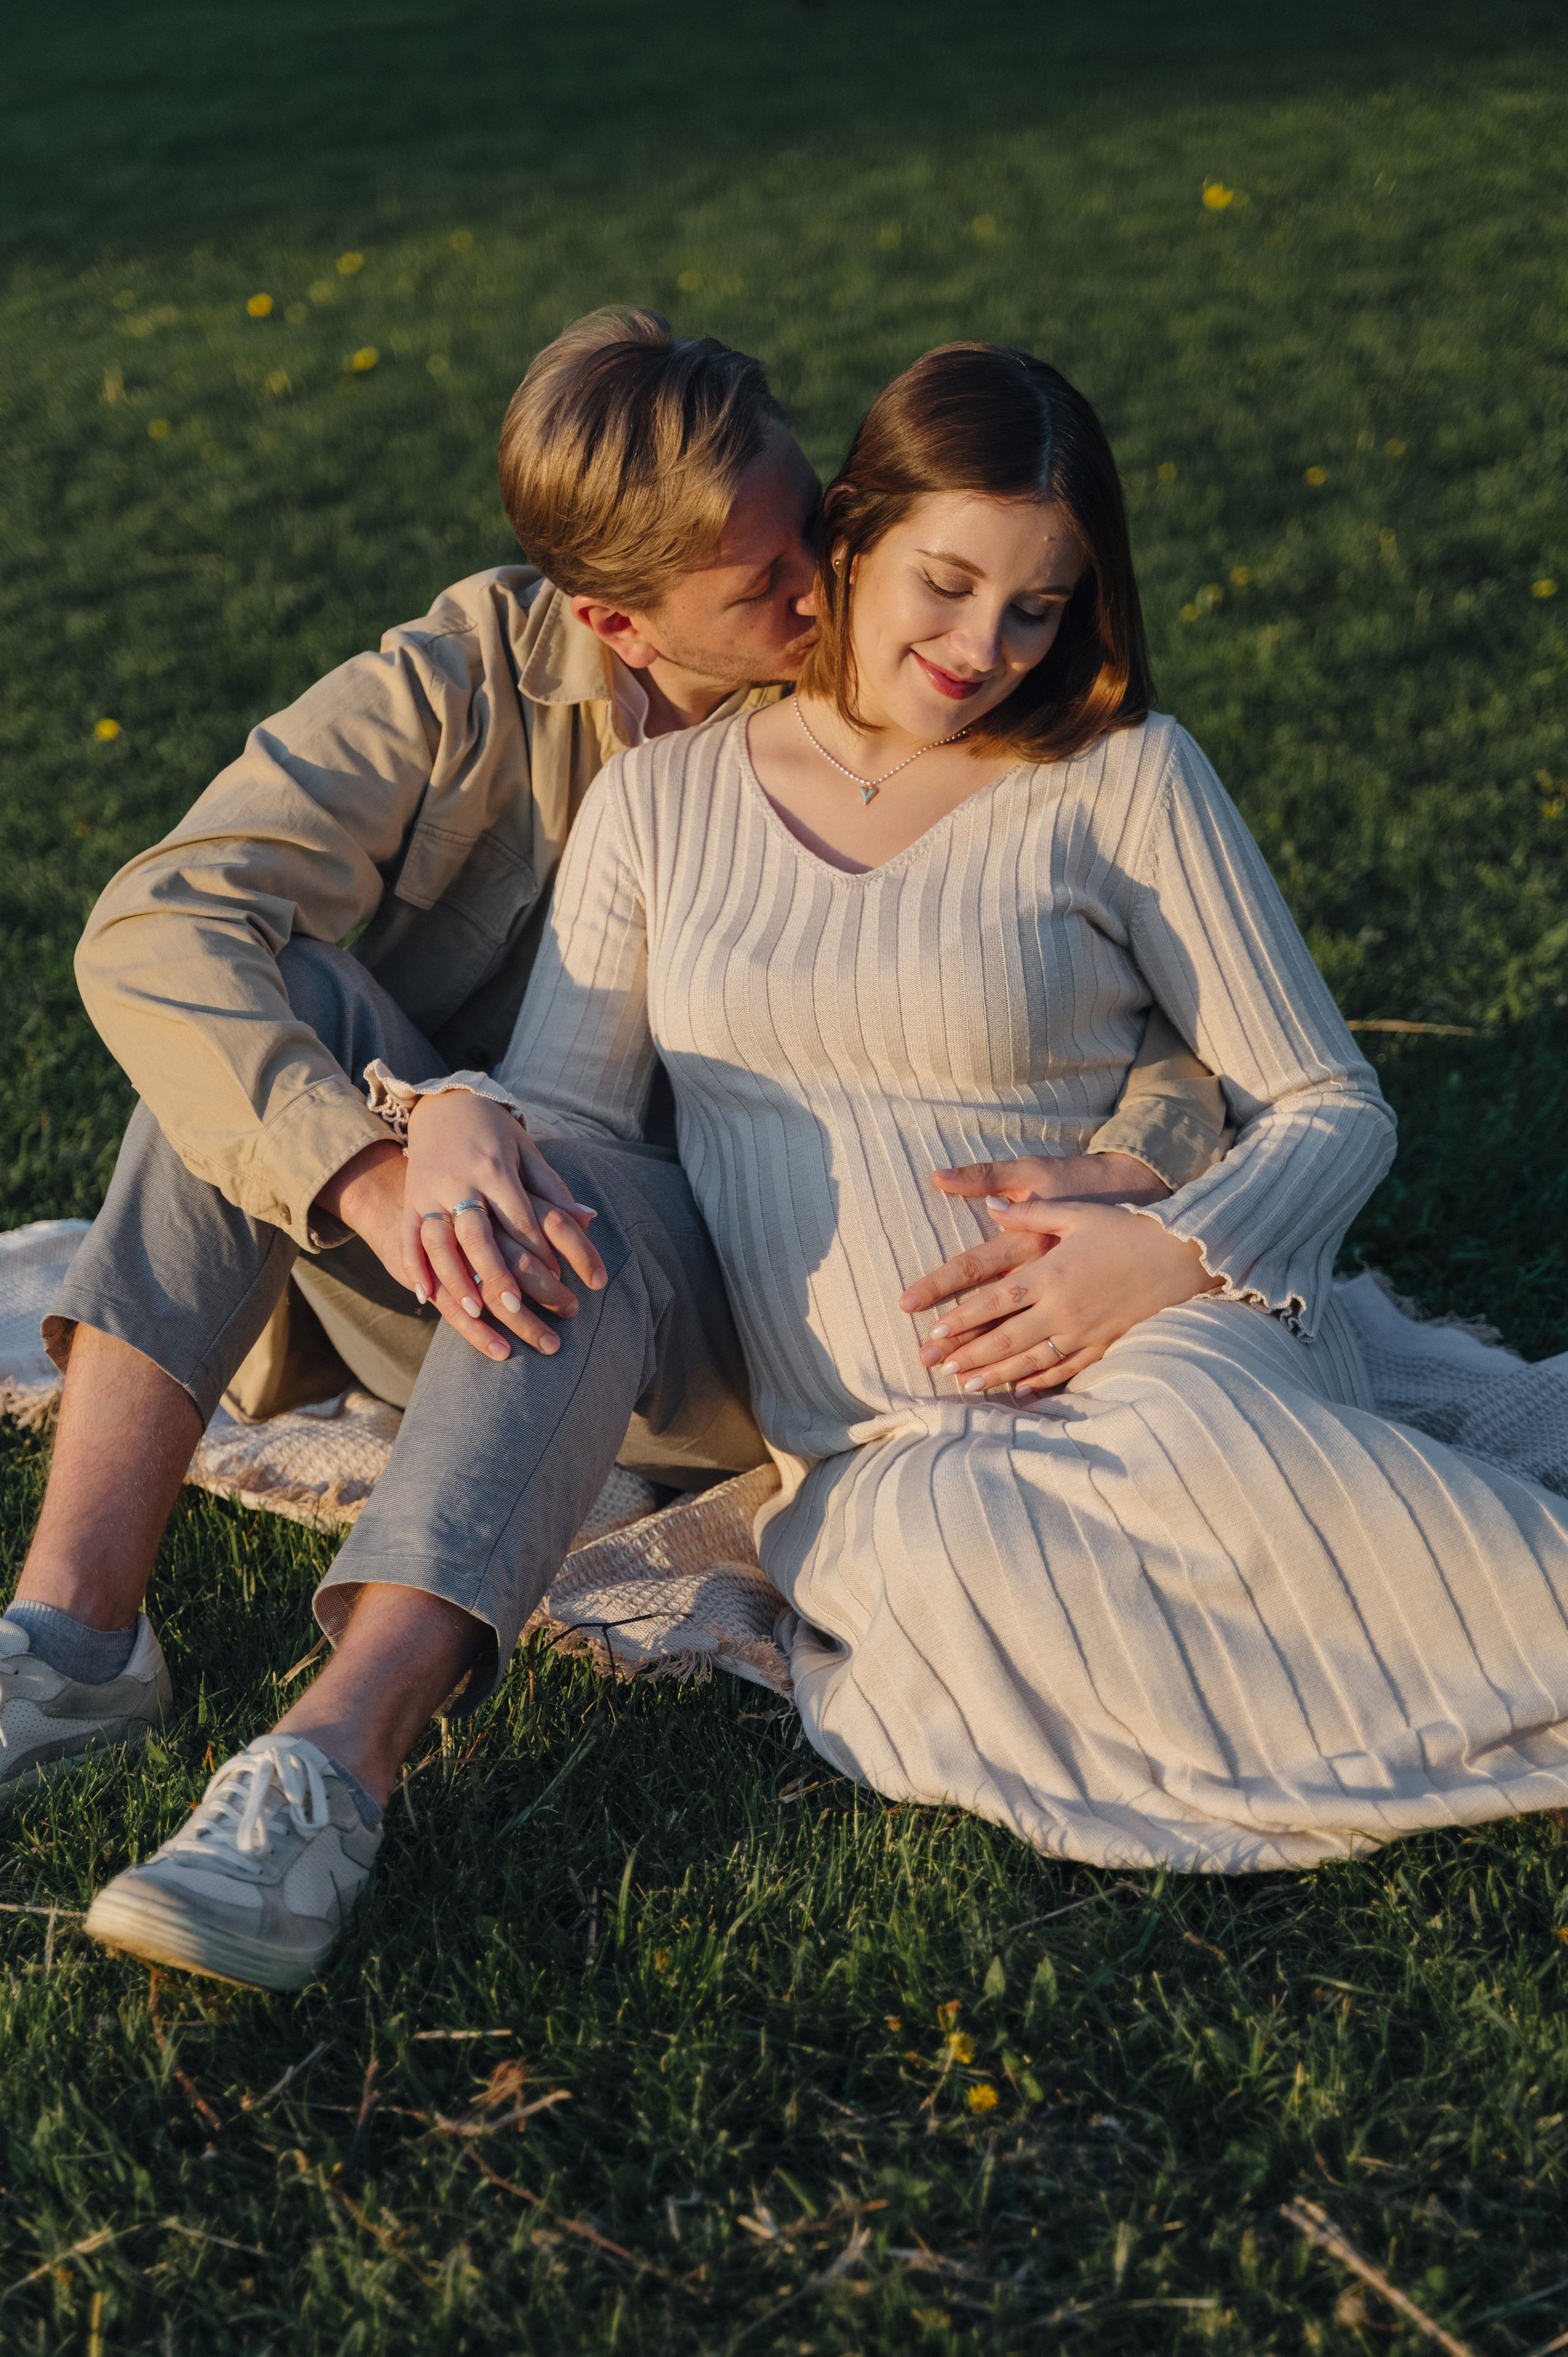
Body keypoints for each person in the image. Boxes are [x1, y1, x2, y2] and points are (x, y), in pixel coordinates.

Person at [161, 336, 1568, 1903]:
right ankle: (305, 1764)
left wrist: (1169, 1254)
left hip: (1149, 1341)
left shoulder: (1117, 775)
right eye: (947, 584)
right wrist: (448, 1111)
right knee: (939, 1569)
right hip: (875, 1440)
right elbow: (575, 1129)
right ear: (851, 533)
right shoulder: (659, 805)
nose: (986, 646)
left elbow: (1330, 1102)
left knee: (1284, 1500)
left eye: (1039, 605)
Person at [2, 318, 1223, 1980]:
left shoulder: (925, 692)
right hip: (475, 1227)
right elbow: (155, 921)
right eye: (766, 585)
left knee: (540, 1190)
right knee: (242, 1017)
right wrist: (380, 1156)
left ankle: (328, 1767)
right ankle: (72, 1640)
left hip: (764, 1289)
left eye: (821, 530)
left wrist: (1130, 1169)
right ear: (608, 619)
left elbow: (1173, 1010)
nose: (829, 591)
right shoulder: (465, 681)